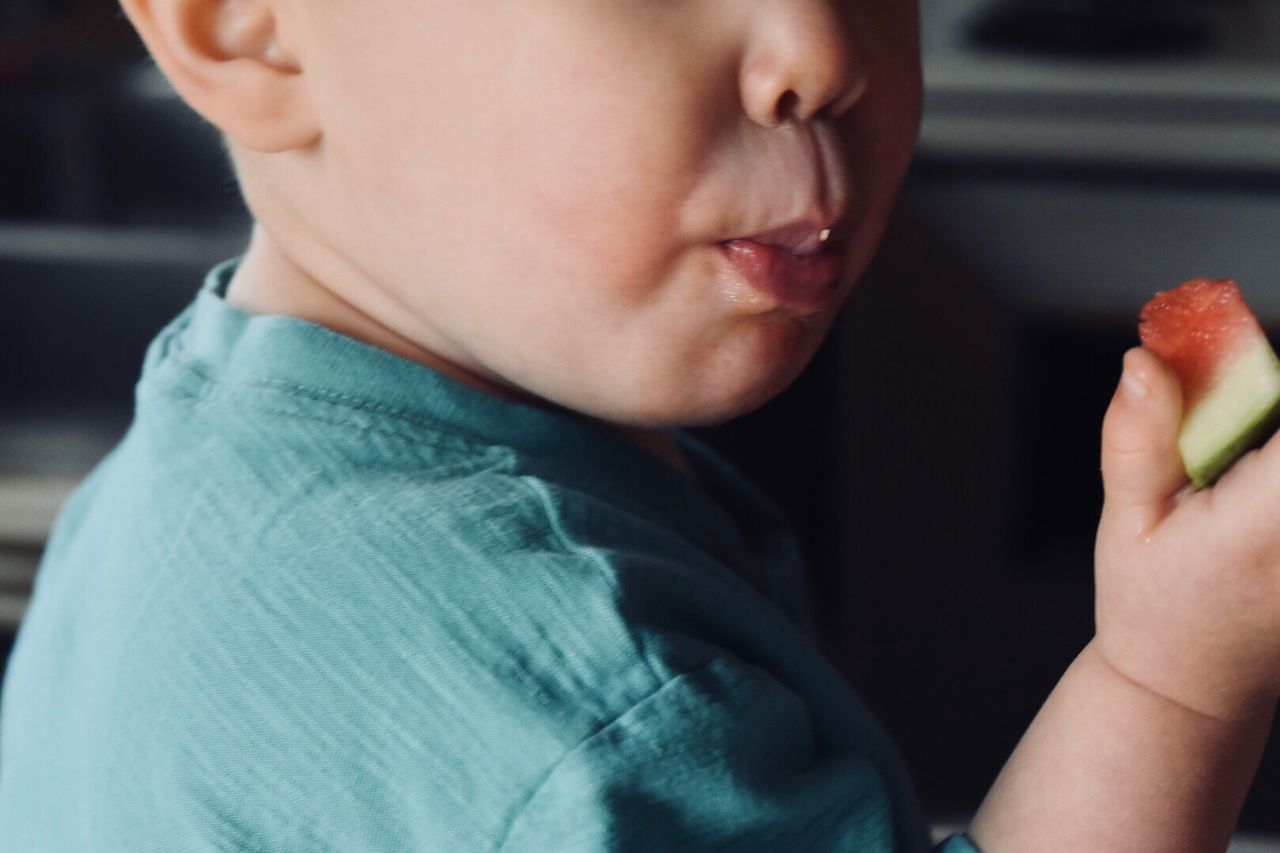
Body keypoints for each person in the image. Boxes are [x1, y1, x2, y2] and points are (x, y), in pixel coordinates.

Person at [1, 0, 1276, 849]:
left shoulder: (201, 444)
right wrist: (1172, 678)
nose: (823, 51)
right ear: (252, 33)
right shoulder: (579, 699)